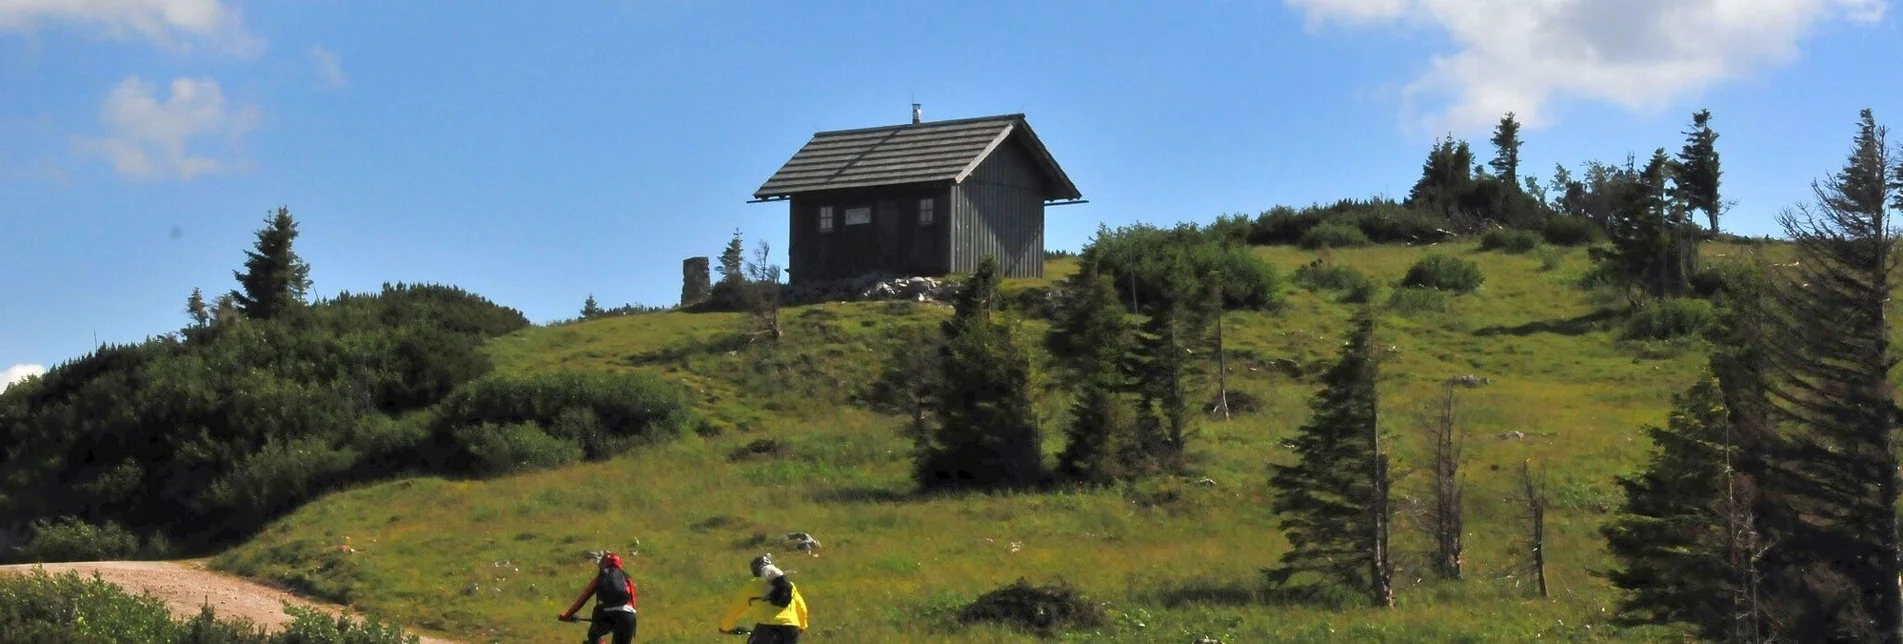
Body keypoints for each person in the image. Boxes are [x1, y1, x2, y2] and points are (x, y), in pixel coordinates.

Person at [718, 553, 808, 643]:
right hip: (791, 630)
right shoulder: (789, 584)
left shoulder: (752, 585)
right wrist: (801, 627)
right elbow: (802, 608)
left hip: (766, 628)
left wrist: (725, 627)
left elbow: (737, 609)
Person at [558, 552, 638, 644]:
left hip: (607, 614)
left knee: (593, 635)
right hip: (628, 618)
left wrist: (567, 615)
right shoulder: (627, 578)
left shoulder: (601, 577)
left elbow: (583, 598)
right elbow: (633, 601)